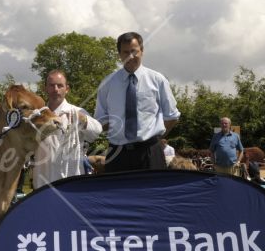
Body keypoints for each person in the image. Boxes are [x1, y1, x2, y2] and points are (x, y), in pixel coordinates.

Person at [94, 32, 180, 172]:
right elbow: (100, 119)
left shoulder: (158, 80)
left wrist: (155, 138)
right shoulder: (107, 83)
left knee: (154, 194)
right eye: (125, 52)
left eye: (134, 51)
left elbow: (172, 116)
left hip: (150, 153)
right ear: (119, 54)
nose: (130, 56)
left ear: (142, 51)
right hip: (117, 154)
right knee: (118, 194)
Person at [32, 70, 102, 188]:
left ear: (67, 89)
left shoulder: (77, 112)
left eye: (60, 85)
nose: (56, 89)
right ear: (45, 88)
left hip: (71, 181)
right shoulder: (37, 115)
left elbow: (96, 132)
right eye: (52, 85)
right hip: (43, 182)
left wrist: (82, 119)